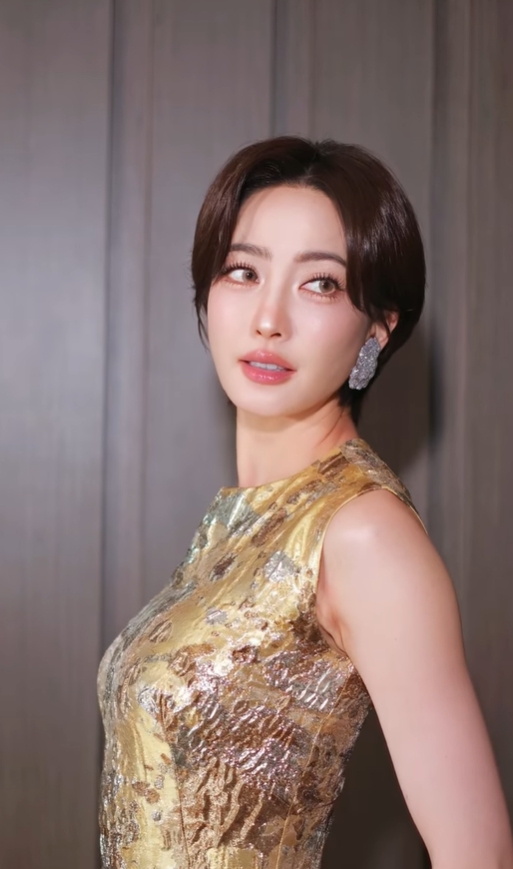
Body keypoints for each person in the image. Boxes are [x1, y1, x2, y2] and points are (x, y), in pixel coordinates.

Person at [97, 136, 513, 869]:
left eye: (320, 284)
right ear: (206, 293)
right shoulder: (243, 521)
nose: (269, 317)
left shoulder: (362, 533)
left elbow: (477, 852)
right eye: (243, 270)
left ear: (377, 328)